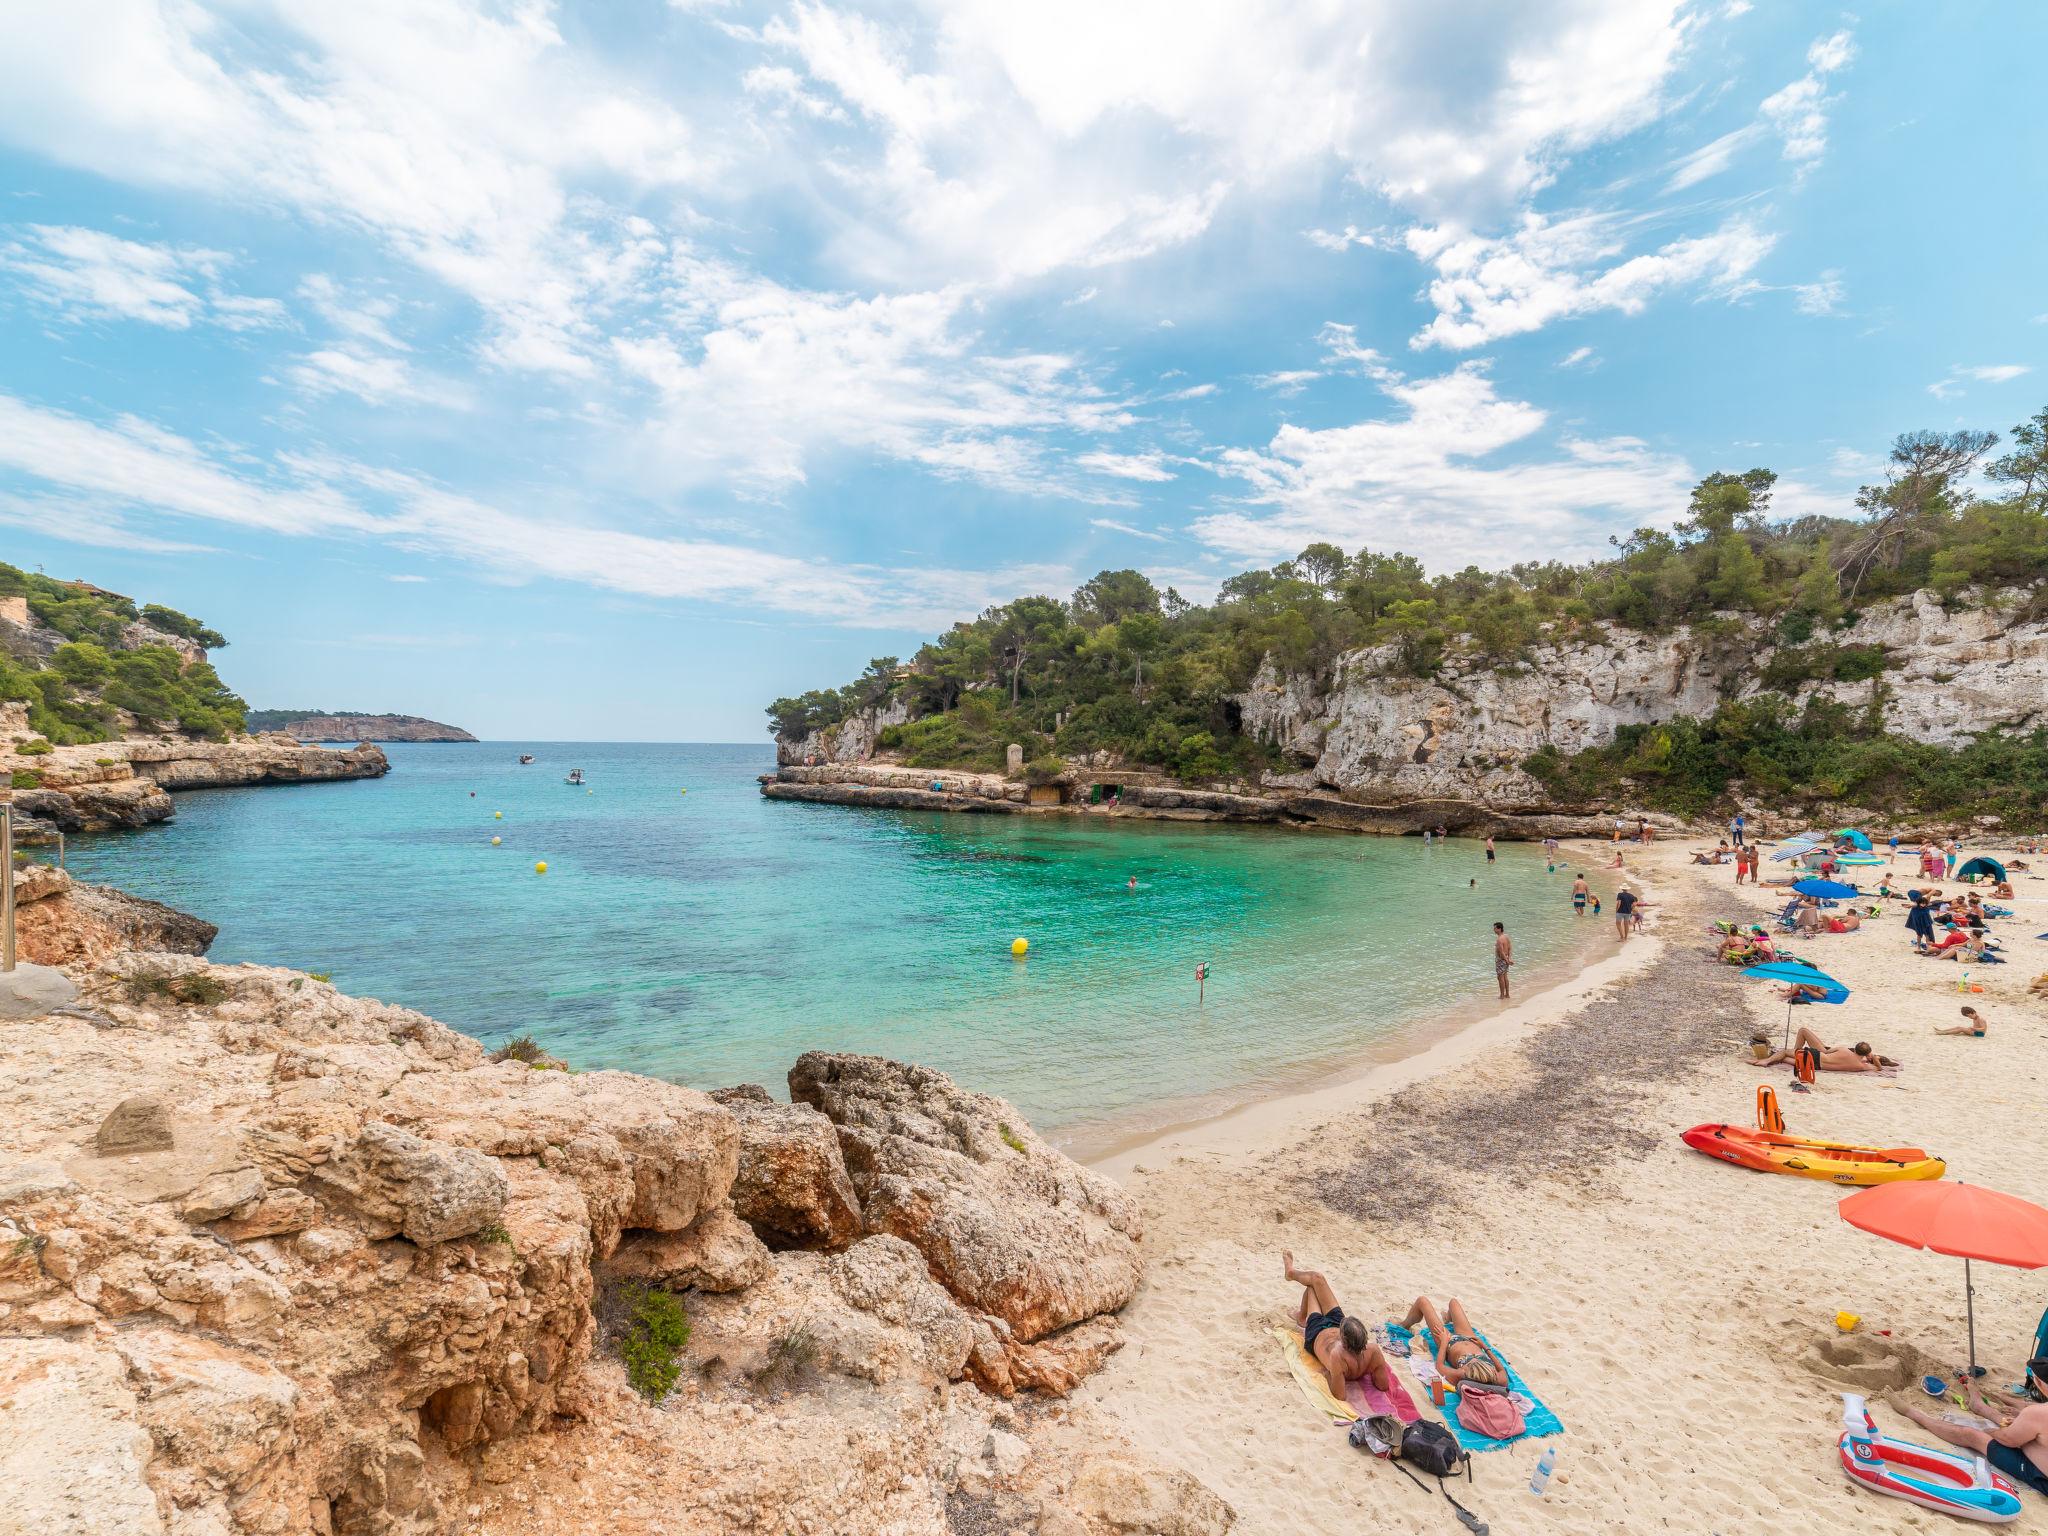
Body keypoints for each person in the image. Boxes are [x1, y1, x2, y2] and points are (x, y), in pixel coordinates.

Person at [1895, 1358, 2048, 1501]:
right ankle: (1979, 1405)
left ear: (2039, 1383)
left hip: (2040, 1477)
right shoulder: (2037, 1412)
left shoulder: (2036, 1414)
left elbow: (2008, 1439)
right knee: (2015, 1422)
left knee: (1972, 1435)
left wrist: (1990, 1432)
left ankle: (1913, 1414)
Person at [1282, 1252, 1390, 1398]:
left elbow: (1339, 1395)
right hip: (1338, 1323)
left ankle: (1302, 1316)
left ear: (1342, 1340)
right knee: (1317, 1278)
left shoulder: (1338, 1355)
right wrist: (1375, 1367)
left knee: (1311, 1288)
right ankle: (1291, 1273)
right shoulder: (1373, 1350)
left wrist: (1331, 1375)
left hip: (1317, 1332)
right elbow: (1383, 1385)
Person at [1399, 1296, 1509, 1390]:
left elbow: (1440, 1366)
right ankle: (1447, 1319)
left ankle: (1405, 1325)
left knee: (1422, 1301)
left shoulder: (1462, 1374)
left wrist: (1443, 1343)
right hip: (1471, 1339)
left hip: (1450, 1343)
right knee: (1453, 1302)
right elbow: (1501, 1369)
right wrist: (1485, 1348)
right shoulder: (1498, 1379)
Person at [1758, 1025, 1896, 1072]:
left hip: (1818, 1056)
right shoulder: (1861, 1066)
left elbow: (1825, 1051)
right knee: (1785, 1059)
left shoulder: (1844, 1050)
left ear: (1856, 1048)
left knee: (1785, 1051)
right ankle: (1766, 1060)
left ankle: (1765, 1061)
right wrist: (1875, 1058)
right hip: (1815, 1067)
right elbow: (1878, 1068)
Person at [1493, 921, 1512, 999]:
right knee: (1505, 977)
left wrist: (1507, 961)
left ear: (1499, 929)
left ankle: (1502, 995)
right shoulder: (1506, 937)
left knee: (1500, 978)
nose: (1494, 930)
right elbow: (1510, 948)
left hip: (1501, 960)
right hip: (1506, 958)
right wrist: (1509, 958)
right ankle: (1507, 994)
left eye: (1495, 928)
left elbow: (1501, 952)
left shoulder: (1499, 939)